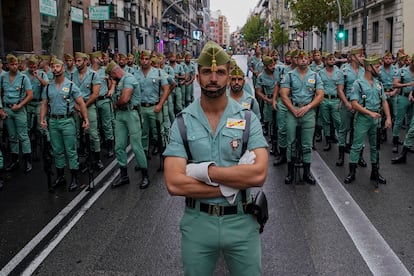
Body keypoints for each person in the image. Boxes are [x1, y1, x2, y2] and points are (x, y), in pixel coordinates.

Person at [163, 41, 268, 275]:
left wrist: (203, 173)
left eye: (220, 72)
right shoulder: (182, 121)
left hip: (242, 223)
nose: (213, 78)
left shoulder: (248, 119)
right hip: (197, 223)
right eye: (207, 72)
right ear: (198, 76)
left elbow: (259, 174)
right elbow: (173, 183)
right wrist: (232, 186)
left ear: (229, 76)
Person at [40, 58, 89, 192]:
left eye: (57, 66)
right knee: (57, 151)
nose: (55, 69)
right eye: (53, 66)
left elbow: (81, 103)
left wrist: (86, 119)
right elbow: (44, 103)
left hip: (67, 121)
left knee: (71, 150)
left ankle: (74, 178)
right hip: (53, 121)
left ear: (63, 68)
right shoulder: (48, 86)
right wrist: (42, 118)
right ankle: (60, 177)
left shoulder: (71, 85)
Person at [344, 55, 391, 184]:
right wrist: (369, 113)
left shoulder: (378, 83)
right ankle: (352, 172)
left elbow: (384, 102)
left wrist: (388, 118)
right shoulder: (358, 83)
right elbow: (354, 103)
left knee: (375, 147)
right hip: (363, 119)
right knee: (357, 146)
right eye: (377, 67)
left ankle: (375, 172)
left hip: (376, 119)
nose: (379, 69)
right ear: (369, 68)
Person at [280, 50, 324, 185]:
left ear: (309, 60)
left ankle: (306, 173)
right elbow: (283, 94)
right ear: (296, 61)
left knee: (307, 144)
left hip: (308, 111)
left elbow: (320, 95)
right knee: (291, 143)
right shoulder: (290, 75)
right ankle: (290, 172)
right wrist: (293, 109)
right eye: (300, 58)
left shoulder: (315, 76)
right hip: (292, 110)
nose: (303, 60)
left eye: (306, 58)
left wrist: (309, 107)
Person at [105, 61, 149, 188]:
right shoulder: (119, 81)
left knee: (136, 146)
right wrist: (112, 86)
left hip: (131, 114)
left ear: (113, 73)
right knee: (119, 146)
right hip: (120, 115)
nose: (111, 78)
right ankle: (124, 176)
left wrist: (115, 105)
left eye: (110, 75)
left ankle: (145, 176)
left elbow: (124, 99)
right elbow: (112, 94)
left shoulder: (129, 79)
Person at [1, 54, 33, 173]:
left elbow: (30, 95)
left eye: (16, 64)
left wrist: (20, 105)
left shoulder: (23, 78)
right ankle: (15, 161)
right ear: (8, 65)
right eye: (12, 64)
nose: (14, 66)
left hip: (19, 109)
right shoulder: (3, 77)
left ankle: (27, 160)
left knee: (23, 135)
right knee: (12, 136)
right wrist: (1, 109)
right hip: (8, 109)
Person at [72, 52, 104, 171]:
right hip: (76, 107)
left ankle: (97, 158)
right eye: (76, 61)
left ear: (86, 61)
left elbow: (95, 94)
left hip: (88, 105)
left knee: (93, 134)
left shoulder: (93, 75)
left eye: (79, 61)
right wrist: (77, 107)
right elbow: (70, 93)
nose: (77, 63)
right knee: (78, 134)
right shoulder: (72, 75)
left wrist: (83, 107)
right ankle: (82, 158)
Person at [337, 48, 367, 167]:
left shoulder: (364, 70)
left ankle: (359, 156)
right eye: (361, 56)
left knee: (360, 130)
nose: (363, 58)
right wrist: (347, 104)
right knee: (343, 129)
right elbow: (340, 89)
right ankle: (341, 156)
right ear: (354, 57)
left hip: (360, 105)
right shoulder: (344, 70)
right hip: (347, 103)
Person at [90, 51, 115, 158]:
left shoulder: (105, 70)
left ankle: (110, 147)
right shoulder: (88, 72)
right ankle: (97, 147)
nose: (102, 59)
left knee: (107, 125)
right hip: (93, 101)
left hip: (104, 100)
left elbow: (113, 82)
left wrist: (111, 89)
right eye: (100, 58)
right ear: (95, 59)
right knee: (95, 126)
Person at [318, 52, 343, 152]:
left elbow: (341, 89)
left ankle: (341, 140)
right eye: (330, 59)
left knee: (338, 121)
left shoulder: (339, 72)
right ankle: (328, 141)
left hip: (335, 99)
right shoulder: (320, 73)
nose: (332, 61)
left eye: (333, 59)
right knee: (326, 121)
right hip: (324, 99)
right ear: (325, 61)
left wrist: (341, 101)